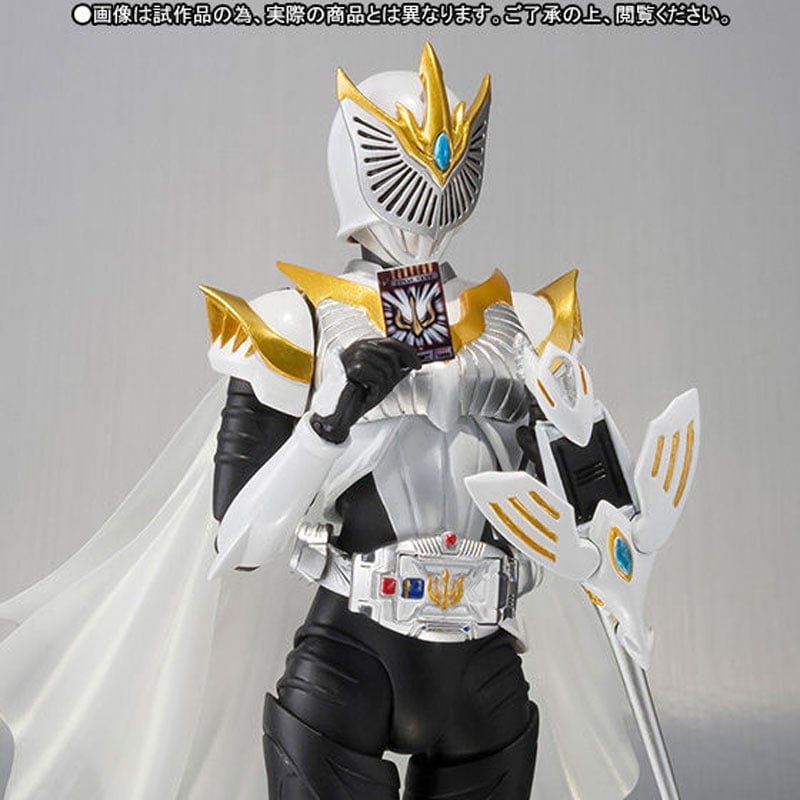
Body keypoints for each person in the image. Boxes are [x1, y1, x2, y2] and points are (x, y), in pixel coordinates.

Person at [0, 44, 653, 800]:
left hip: (484, 662)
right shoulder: (297, 325)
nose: (435, 178)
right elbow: (239, 542)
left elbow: (596, 509)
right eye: (406, 157)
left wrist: (610, 516)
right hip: (352, 654)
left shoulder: (529, 325)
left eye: (450, 155)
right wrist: (326, 425)